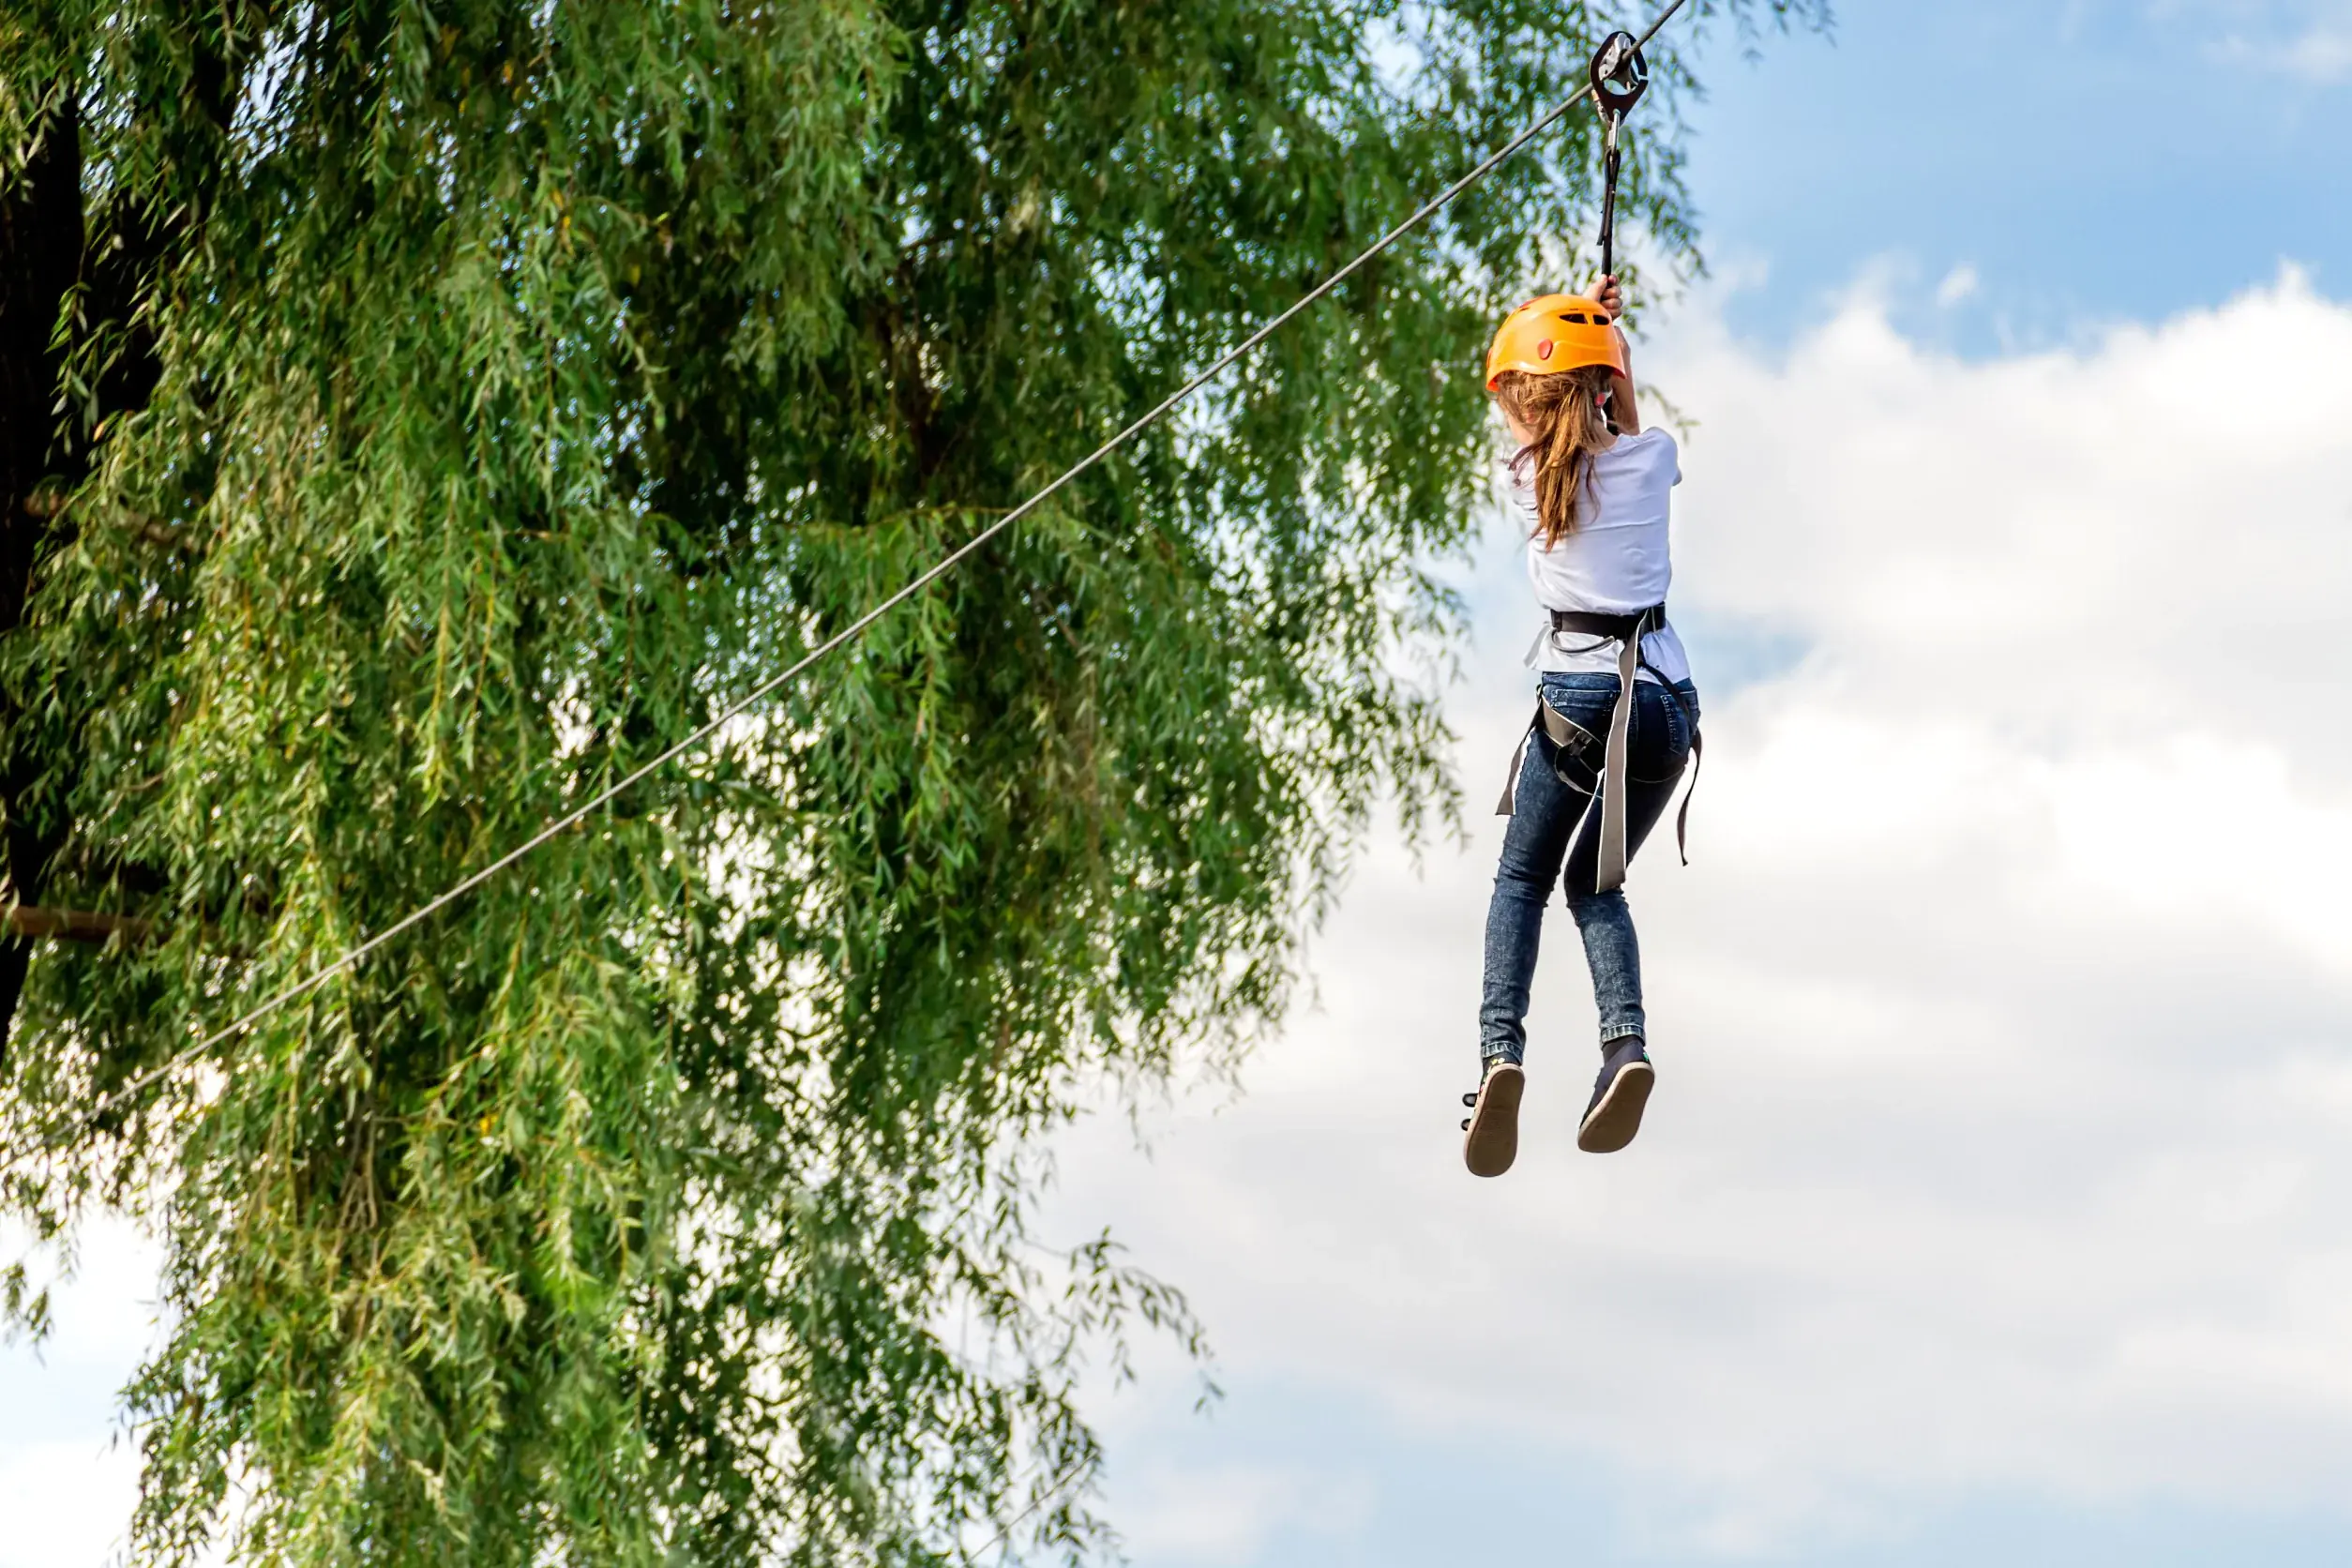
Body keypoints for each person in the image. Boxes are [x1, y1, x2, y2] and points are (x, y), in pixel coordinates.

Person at [1461, 276, 1700, 1179]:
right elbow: (1623, 418)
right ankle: (1624, 1046)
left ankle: (1499, 1056)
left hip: (1582, 703)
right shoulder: (1651, 458)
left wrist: (1583, 341)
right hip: (1666, 706)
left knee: (1522, 880)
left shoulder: (1527, 486)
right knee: (1594, 888)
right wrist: (1608, 340)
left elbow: (1547, 414)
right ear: (1606, 385)